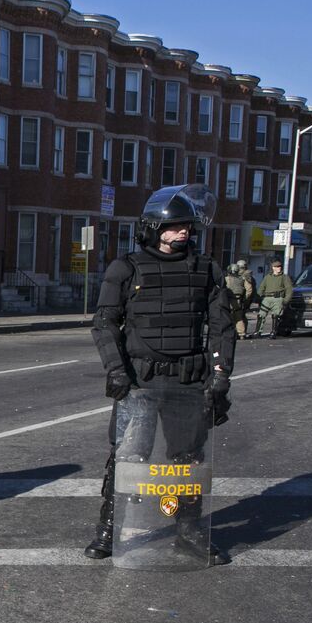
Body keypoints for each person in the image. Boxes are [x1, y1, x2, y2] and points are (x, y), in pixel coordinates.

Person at [84, 184, 235, 562]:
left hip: (188, 379)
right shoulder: (126, 268)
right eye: (175, 226)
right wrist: (116, 371)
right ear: (153, 228)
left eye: (187, 225)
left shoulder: (206, 269)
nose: (183, 231)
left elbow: (222, 327)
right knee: (127, 457)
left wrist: (220, 374)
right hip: (139, 381)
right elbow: (104, 323)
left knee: (188, 461)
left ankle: (188, 530)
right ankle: (108, 530)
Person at [255, 259, 294, 338]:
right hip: (267, 298)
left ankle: (273, 332)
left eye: (280, 266)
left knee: (276, 316)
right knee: (261, 315)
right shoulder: (267, 277)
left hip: (278, 298)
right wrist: (258, 297)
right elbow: (261, 287)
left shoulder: (284, 277)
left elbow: (289, 290)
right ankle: (257, 332)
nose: (279, 268)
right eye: (277, 266)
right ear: (273, 268)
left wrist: (285, 300)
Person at [224, 263, 253, 339]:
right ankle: (241, 334)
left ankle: (228, 332)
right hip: (239, 300)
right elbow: (249, 290)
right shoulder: (242, 279)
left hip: (229, 300)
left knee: (227, 317)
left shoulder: (226, 279)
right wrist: (244, 298)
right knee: (239, 317)